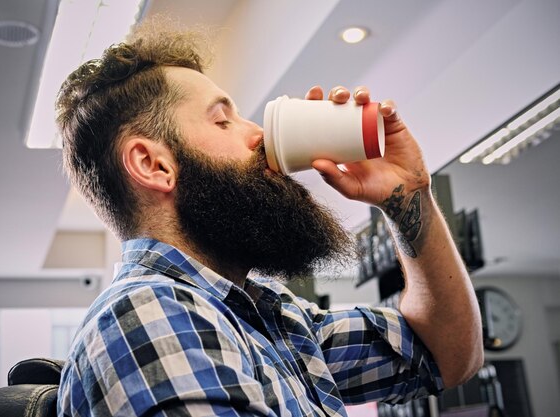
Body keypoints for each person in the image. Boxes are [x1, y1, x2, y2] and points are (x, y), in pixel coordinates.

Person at [55, 18, 483, 417]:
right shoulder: (150, 315)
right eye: (223, 120)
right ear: (154, 165)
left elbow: (447, 353)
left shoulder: (270, 318)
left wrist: (408, 197)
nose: (258, 133)